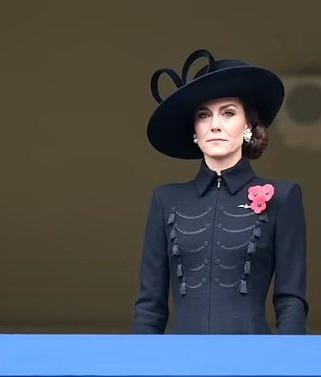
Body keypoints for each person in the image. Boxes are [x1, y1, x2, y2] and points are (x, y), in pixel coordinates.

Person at [132, 49, 308, 334]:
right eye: (204, 115)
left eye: (228, 113)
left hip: (254, 362)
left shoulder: (283, 197)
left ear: (249, 125)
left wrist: (292, 365)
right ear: (195, 129)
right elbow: (149, 307)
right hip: (181, 363)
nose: (214, 125)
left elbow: (291, 302)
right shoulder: (165, 199)